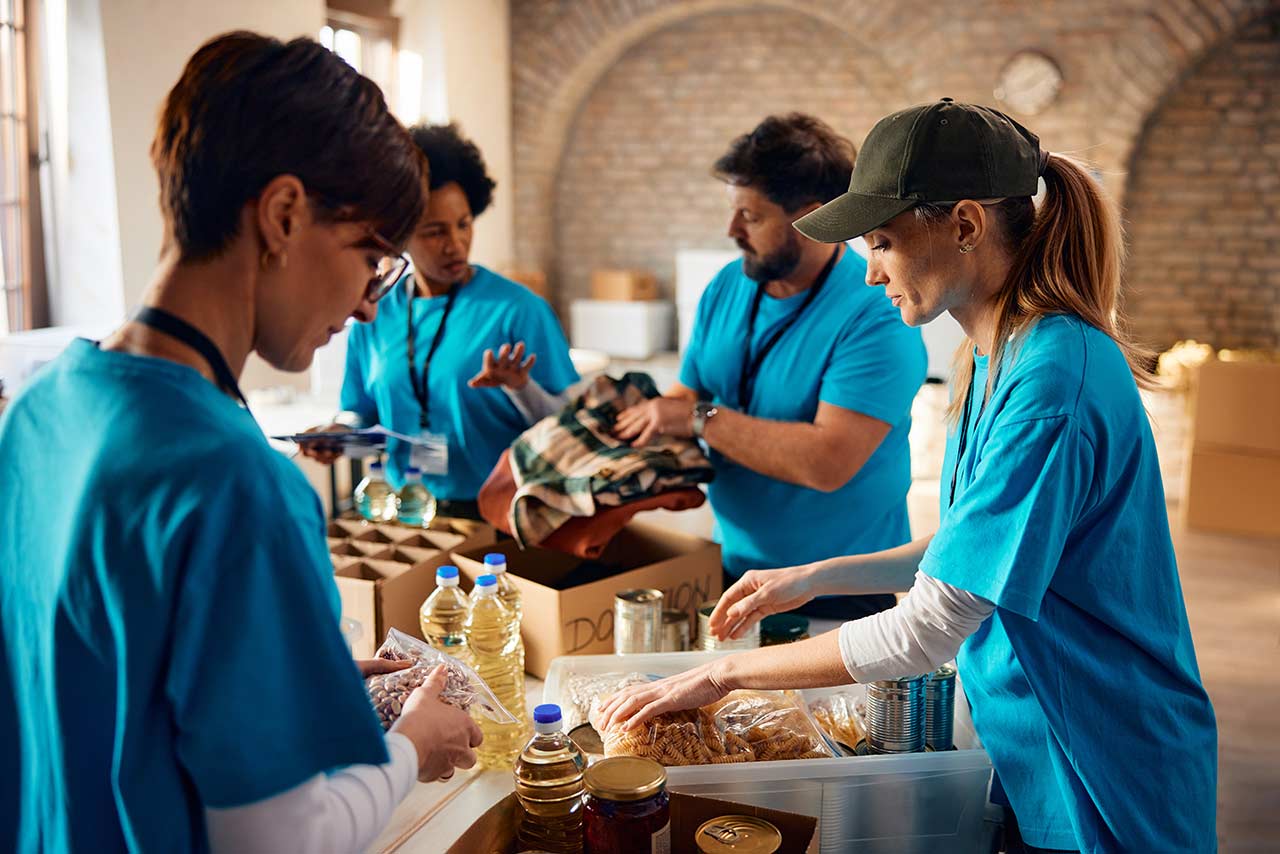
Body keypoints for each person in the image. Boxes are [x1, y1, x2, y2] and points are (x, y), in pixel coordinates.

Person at [598, 100, 1218, 853]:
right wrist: (815, 576)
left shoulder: (1053, 382)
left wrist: (725, 675)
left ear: (963, 225)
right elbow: (969, 550)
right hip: (1032, 736)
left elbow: (929, 628)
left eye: (883, 242)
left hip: (1101, 753)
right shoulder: (993, 354)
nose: (868, 272)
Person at [0, 32, 483, 854]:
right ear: (284, 214)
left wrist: (309, 684)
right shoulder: (235, 482)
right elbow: (274, 842)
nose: (369, 306)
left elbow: (114, 687)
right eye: (371, 256)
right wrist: (410, 748)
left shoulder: (38, 411)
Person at [612, 113, 926, 621]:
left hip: (840, 588)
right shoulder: (726, 287)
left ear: (814, 217)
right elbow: (687, 395)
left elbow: (827, 462)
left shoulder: (877, 311)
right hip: (733, 567)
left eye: (751, 217)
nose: (731, 230)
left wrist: (699, 421)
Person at [300, 123, 578, 520]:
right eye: (434, 231)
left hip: (502, 514)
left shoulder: (518, 310)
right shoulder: (376, 311)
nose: (455, 243)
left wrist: (521, 387)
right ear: (399, 237)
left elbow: (567, 429)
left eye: (464, 224)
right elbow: (363, 416)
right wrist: (339, 438)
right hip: (407, 511)